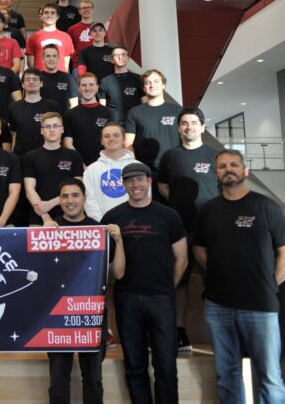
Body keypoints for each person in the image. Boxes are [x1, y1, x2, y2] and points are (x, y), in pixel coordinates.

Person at [195, 150, 285, 404]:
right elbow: (199, 250)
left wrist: (266, 285)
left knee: (270, 377)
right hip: (218, 306)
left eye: (234, 165)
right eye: (222, 166)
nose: (228, 169)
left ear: (245, 170)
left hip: (259, 306)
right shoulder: (208, 210)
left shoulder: (266, 206)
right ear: (216, 173)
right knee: (226, 375)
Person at [101, 162, 187, 404]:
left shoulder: (169, 215)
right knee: (134, 366)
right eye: (129, 180)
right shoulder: (112, 217)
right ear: (123, 185)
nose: (135, 184)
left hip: (162, 299)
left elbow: (181, 259)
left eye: (140, 179)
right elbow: (107, 263)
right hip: (127, 299)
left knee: (166, 366)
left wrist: (168, 287)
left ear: (149, 181)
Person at [48, 177, 125, 404]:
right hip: (57, 317)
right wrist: (42, 235)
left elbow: (118, 273)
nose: (70, 201)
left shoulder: (98, 229)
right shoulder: (51, 229)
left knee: (93, 380)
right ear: (59, 200)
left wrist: (119, 241)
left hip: (91, 315)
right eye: (65, 196)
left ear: (84, 198)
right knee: (58, 381)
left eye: (75, 195)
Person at [158, 107, 219, 352]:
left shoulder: (215, 155)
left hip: (211, 229)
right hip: (180, 228)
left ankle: (219, 333)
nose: (188, 127)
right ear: (178, 128)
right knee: (179, 281)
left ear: (203, 127)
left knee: (213, 281)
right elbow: (163, 185)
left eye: (194, 123)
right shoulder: (170, 156)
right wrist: (178, 201)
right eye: (184, 123)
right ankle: (180, 333)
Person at [22, 112, 84, 225]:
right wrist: (45, 217)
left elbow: (77, 188)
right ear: (41, 130)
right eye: (47, 126)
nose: (52, 130)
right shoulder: (30, 157)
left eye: (55, 126)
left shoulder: (74, 156)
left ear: (62, 129)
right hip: (39, 216)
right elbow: (29, 190)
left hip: (70, 214)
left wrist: (50, 204)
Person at [125, 69, 182, 175]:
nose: (152, 85)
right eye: (147, 83)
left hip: (173, 167)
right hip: (145, 170)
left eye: (156, 81)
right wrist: (136, 166)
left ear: (163, 85)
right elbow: (128, 144)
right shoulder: (134, 112)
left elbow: (186, 139)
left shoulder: (177, 111)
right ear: (144, 88)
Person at [83, 122, 142, 221]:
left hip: (134, 224)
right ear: (101, 141)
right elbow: (89, 201)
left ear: (124, 139)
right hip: (103, 224)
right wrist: (102, 223)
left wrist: (135, 222)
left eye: (116, 135)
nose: (111, 139)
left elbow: (145, 198)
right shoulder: (91, 170)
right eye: (107, 136)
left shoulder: (138, 167)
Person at [63, 72, 115, 166]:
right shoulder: (69, 114)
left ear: (97, 88)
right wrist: (80, 163)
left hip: (105, 164)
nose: (87, 88)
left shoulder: (108, 113)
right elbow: (67, 143)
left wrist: (105, 162)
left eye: (91, 84)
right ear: (79, 88)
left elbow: (113, 140)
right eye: (84, 85)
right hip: (80, 165)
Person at [8, 68, 61, 157]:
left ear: (41, 83)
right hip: (21, 157)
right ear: (22, 84)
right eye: (28, 79)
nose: (31, 82)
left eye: (35, 79)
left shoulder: (53, 106)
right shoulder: (13, 107)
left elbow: (59, 133)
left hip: (47, 156)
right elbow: (14, 134)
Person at [99, 46, 144, 124]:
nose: (120, 57)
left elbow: (145, 103)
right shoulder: (104, 81)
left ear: (128, 58)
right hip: (114, 124)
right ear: (112, 60)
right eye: (116, 55)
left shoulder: (138, 79)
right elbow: (102, 109)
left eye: (123, 54)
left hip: (135, 122)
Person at [25, 3, 74, 73]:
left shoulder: (66, 37)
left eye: (53, 13)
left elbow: (66, 65)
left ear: (57, 16)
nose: (49, 15)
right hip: (40, 76)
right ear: (42, 16)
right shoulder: (33, 37)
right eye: (46, 12)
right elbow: (31, 64)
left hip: (60, 76)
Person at [38, 44, 78, 113]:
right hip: (43, 118)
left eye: (54, 56)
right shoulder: (37, 78)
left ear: (58, 58)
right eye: (48, 56)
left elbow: (74, 105)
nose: (51, 59)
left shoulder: (68, 78)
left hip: (63, 118)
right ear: (42, 59)